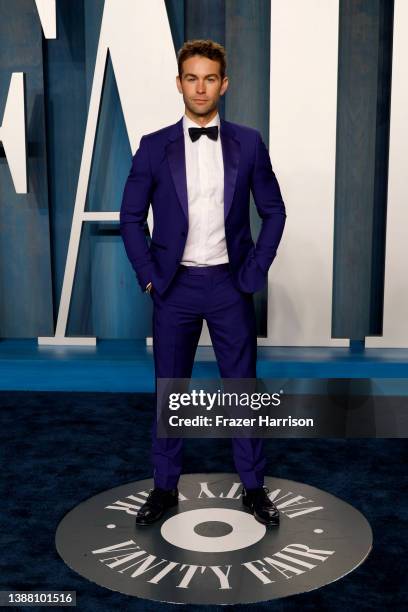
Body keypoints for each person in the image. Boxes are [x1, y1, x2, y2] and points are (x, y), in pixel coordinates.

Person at [120, 39, 286, 527]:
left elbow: (273, 210)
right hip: (174, 288)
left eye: (209, 78)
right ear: (179, 83)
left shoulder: (249, 142)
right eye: (191, 77)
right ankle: (165, 487)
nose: (200, 87)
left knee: (241, 390)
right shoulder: (154, 146)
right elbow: (131, 217)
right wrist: (149, 278)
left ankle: (254, 487)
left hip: (229, 285)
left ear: (224, 84)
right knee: (169, 391)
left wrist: (253, 272)